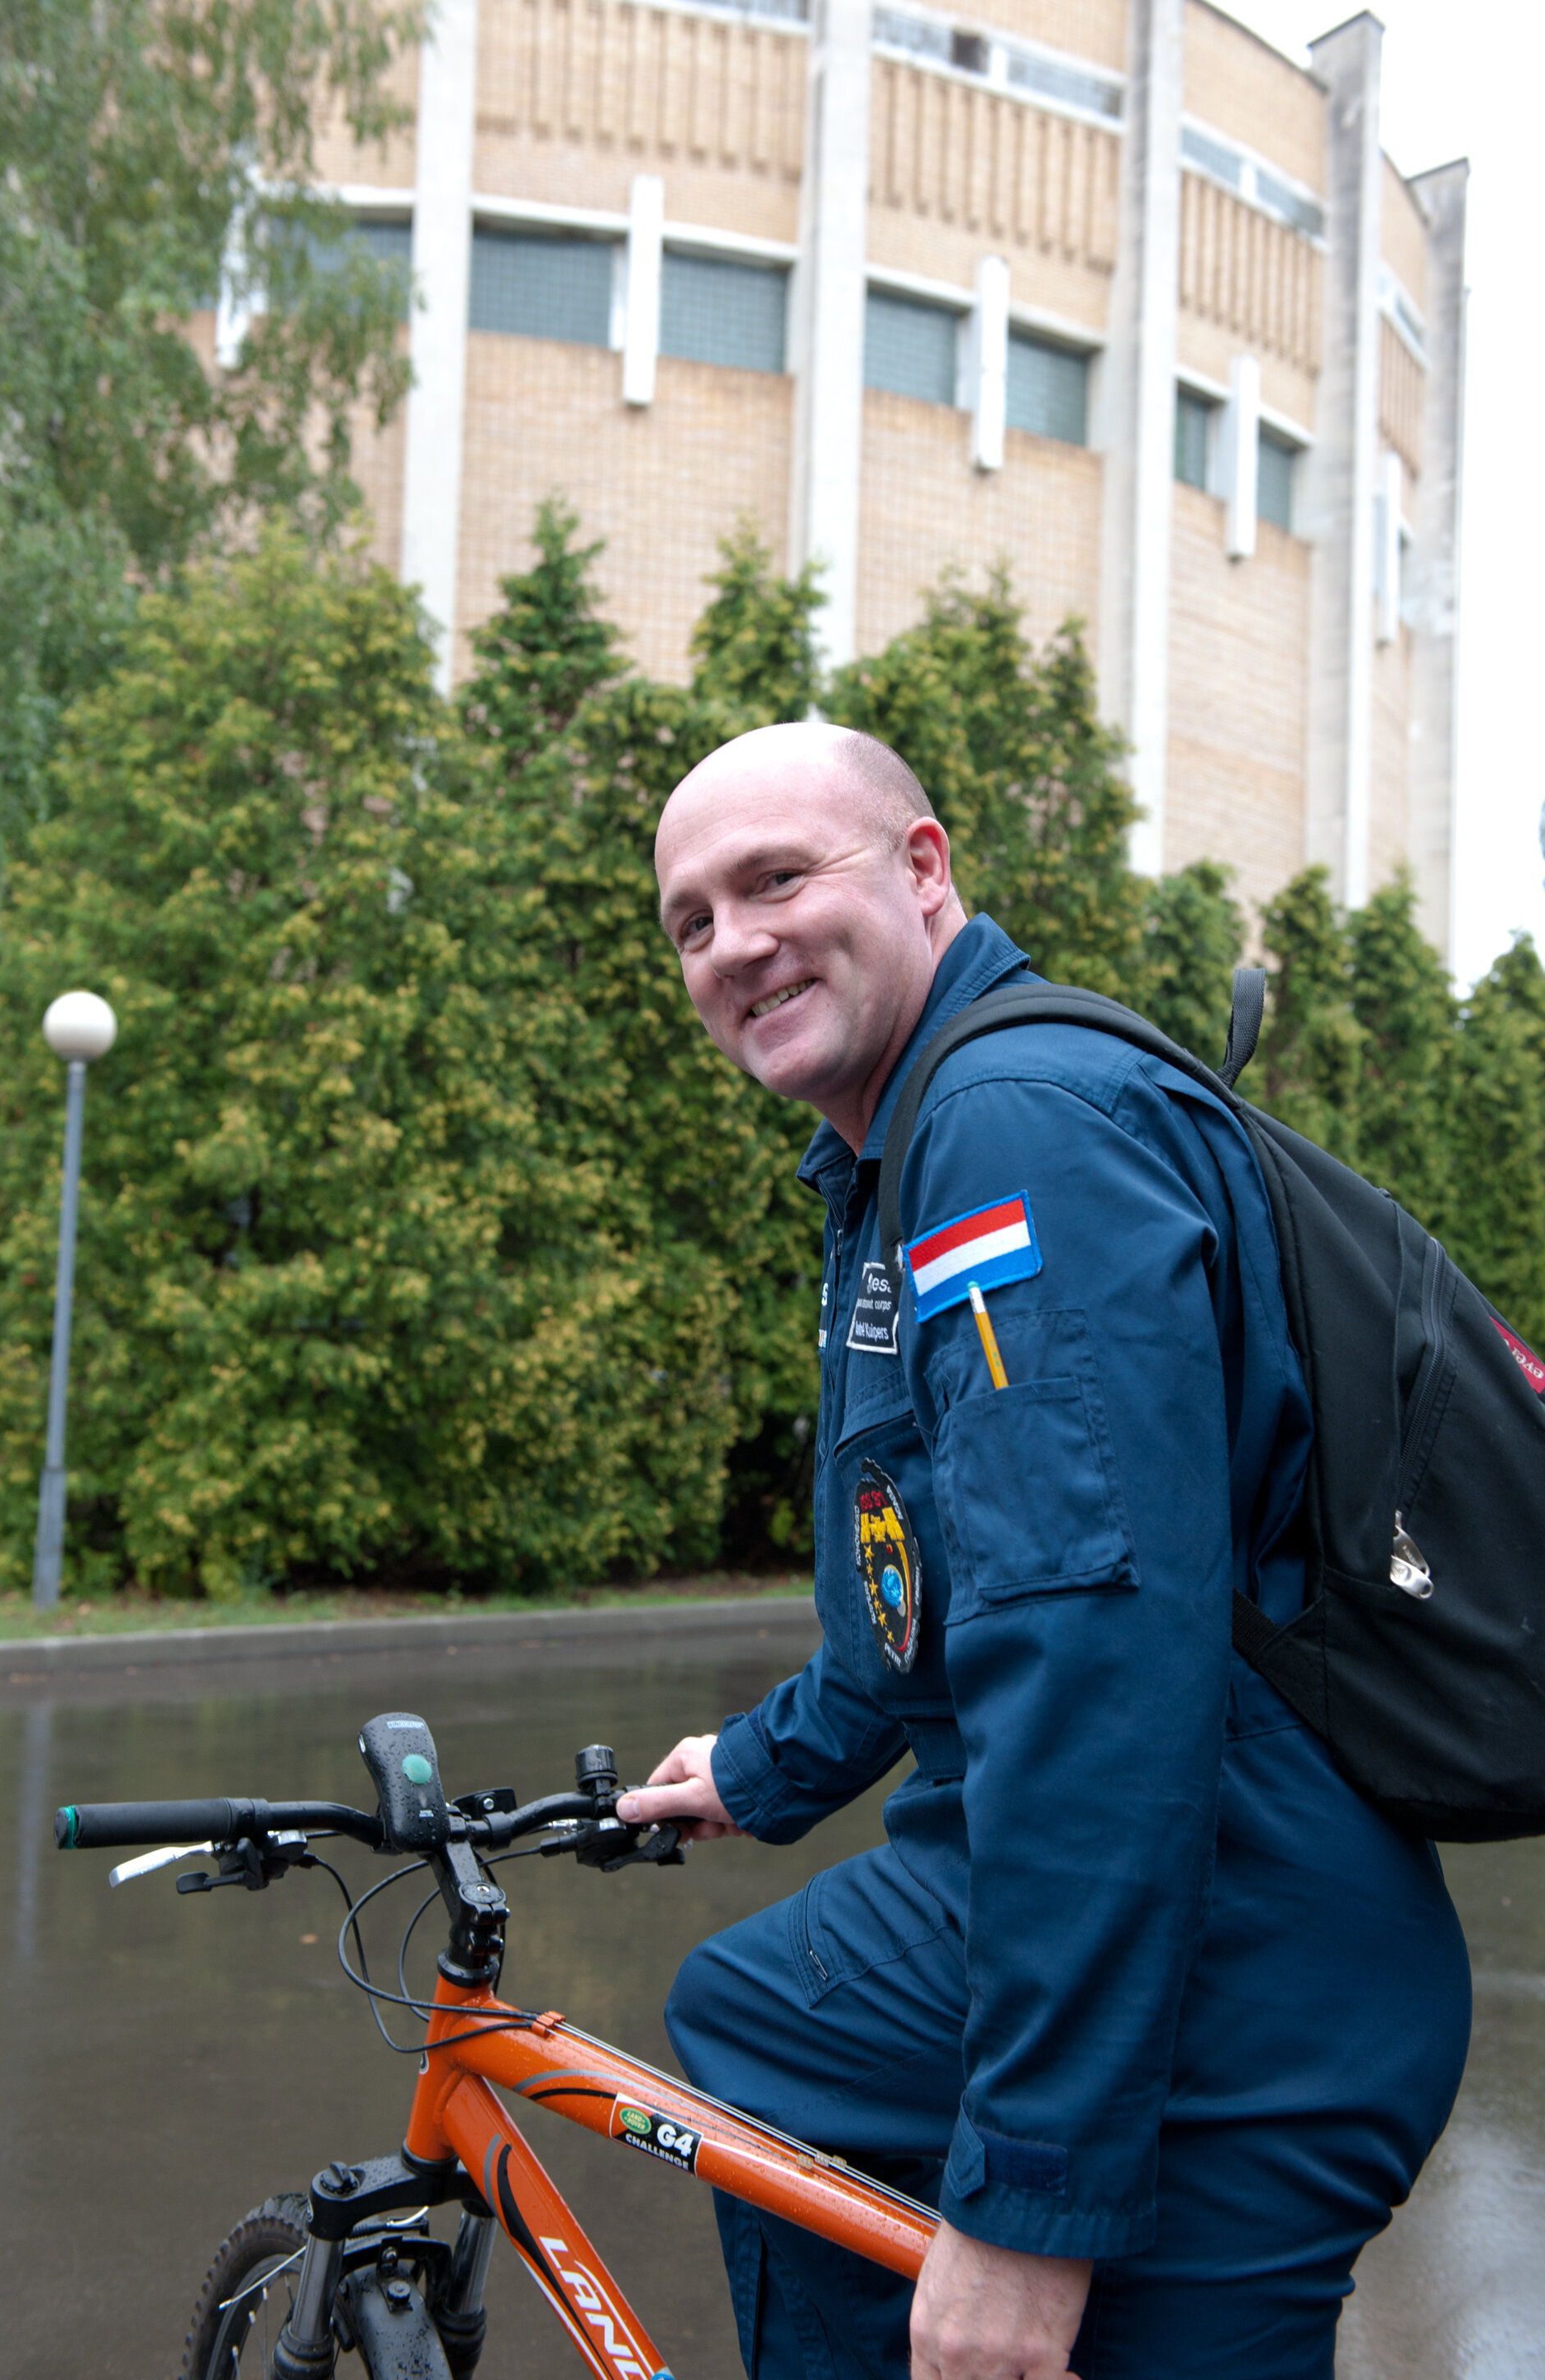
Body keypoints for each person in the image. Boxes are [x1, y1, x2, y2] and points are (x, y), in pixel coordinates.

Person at [618, 720, 1471, 2380]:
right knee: (759, 2011)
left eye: (776, 878)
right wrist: (764, 1765)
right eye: (693, 921)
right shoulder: (910, 1148)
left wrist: (1029, 2210)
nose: (733, 944)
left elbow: (1095, 1661)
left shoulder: (1010, 1131)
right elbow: (925, 1594)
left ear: (923, 871)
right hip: (1220, 1921)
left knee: (762, 2024)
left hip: (1233, 1972)